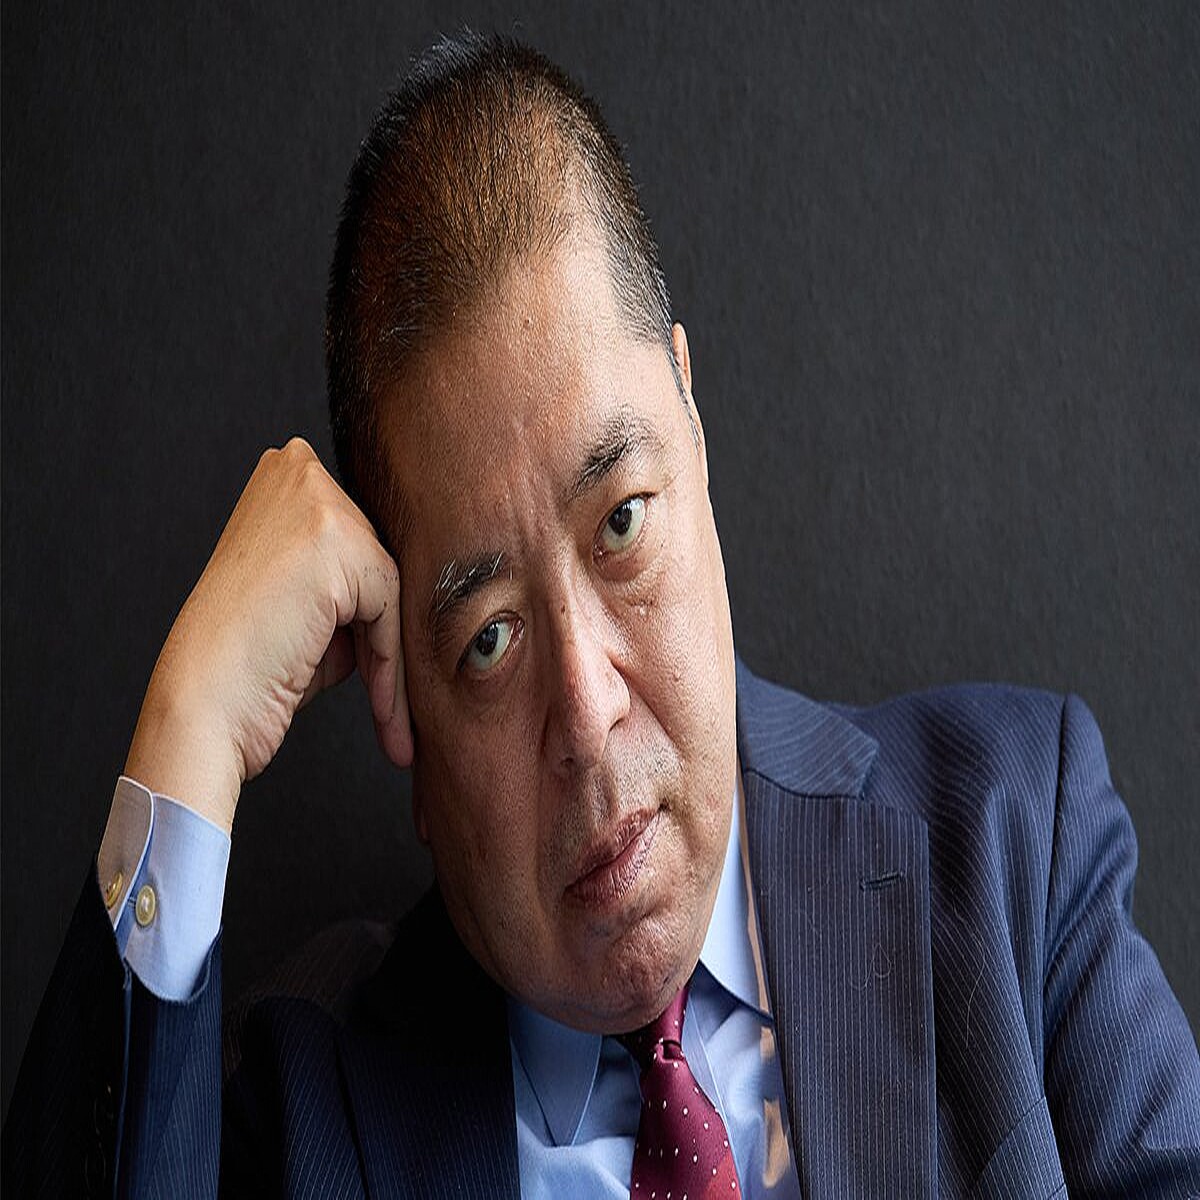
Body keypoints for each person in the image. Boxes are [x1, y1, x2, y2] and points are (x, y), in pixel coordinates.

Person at [4, 31, 1198, 1200]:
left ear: (693, 428)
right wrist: (191, 724)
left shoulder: (1010, 848)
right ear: (396, 692)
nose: (585, 711)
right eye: (489, 637)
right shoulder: (304, 1105)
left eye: (620, 522)